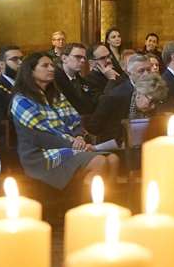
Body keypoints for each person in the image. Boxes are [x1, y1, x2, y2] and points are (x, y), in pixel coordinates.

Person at [10, 50, 117, 194]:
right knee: (99, 161)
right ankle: (86, 206)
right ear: (31, 71)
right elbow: (41, 136)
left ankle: (103, 205)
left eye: (52, 65)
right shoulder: (21, 99)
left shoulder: (56, 95)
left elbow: (75, 120)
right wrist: (74, 144)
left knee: (113, 159)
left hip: (67, 145)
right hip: (40, 155)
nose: (51, 68)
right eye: (45, 66)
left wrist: (79, 137)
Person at [86, 51, 145, 144]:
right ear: (129, 72)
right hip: (120, 142)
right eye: (141, 71)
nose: (146, 74)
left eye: (149, 70)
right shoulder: (116, 94)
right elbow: (94, 126)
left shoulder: (156, 89)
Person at [54, 42, 104, 115]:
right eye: (78, 57)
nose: (83, 61)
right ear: (64, 58)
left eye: (84, 58)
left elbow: (91, 104)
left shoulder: (80, 79)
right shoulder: (54, 80)